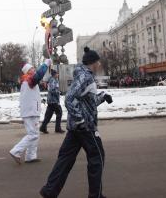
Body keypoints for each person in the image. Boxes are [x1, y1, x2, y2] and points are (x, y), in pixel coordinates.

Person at [40, 47, 113, 198]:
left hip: (76, 128)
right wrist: (80, 120)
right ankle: (96, 195)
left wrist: (103, 97)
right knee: (97, 157)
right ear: (93, 62)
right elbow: (69, 98)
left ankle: (49, 191)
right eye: (98, 62)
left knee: (65, 159)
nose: (99, 64)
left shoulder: (84, 75)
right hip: (85, 126)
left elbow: (86, 101)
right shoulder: (85, 77)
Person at [9, 58, 51, 164]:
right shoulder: (29, 79)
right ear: (28, 71)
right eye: (32, 68)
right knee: (33, 134)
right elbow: (40, 74)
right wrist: (45, 64)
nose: (34, 70)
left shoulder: (27, 80)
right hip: (31, 111)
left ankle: (31, 156)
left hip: (31, 110)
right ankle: (16, 151)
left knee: (35, 133)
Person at [40, 69, 64, 134]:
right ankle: (57, 128)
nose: (58, 74)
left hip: (51, 100)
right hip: (53, 100)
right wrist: (58, 92)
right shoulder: (53, 80)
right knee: (59, 112)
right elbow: (52, 90)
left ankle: (43, 127)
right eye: (57, 73)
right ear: (54, 74)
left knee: (48, 115)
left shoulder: (52, 80)